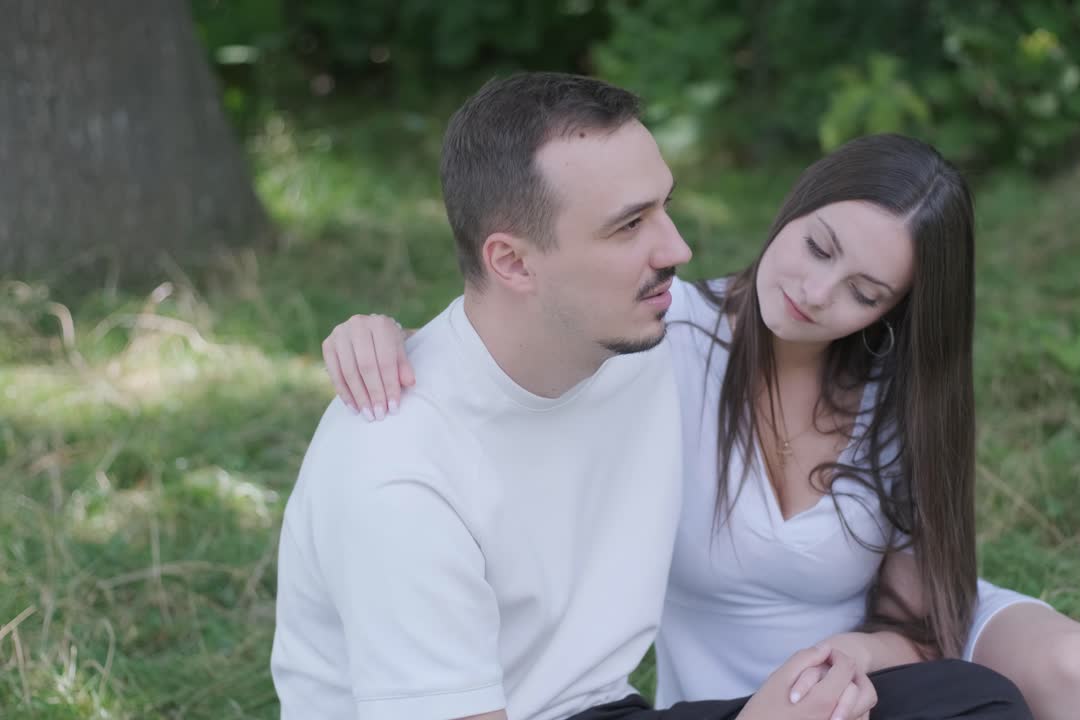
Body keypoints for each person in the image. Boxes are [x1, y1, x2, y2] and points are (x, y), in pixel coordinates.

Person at [323, 129, 1080, 720]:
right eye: (819, 247)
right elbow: (521, 326)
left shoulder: (897, 394)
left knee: (1077, 670)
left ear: (894, 312)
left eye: (864, 292)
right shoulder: (665, 333)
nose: (815, 294)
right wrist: (388, 334)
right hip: (759, 697)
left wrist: (870, 649)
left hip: (899, 648)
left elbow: (923, 619)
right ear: (797, 206)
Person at [272, 72, 1032, 720]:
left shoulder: (634, 344)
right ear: (512, 261)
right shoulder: (398, 476)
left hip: (595, 708)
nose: (677, 250)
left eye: (663, 207)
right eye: (630, 225)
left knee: (969, 702)